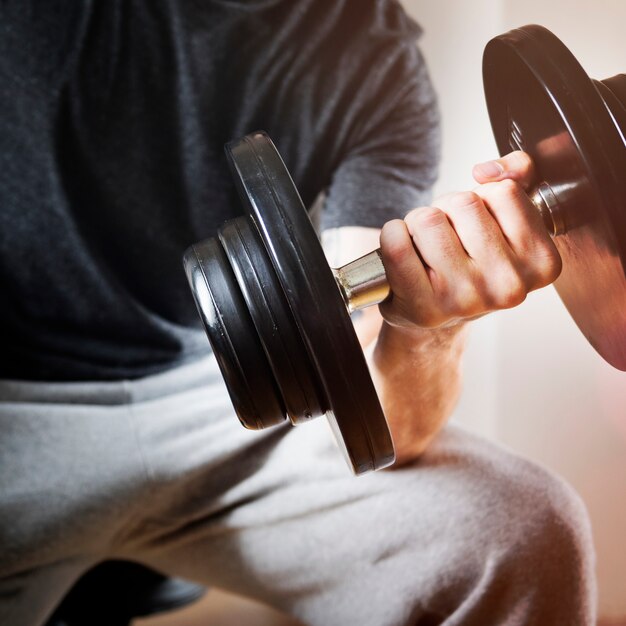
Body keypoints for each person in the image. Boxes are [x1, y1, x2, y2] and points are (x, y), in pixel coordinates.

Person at [0, 1, 595, 624]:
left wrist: (430, 330)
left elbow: (382, 413)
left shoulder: (380, 73)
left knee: (525, 532)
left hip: (226, 411)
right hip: (19, 412)